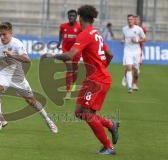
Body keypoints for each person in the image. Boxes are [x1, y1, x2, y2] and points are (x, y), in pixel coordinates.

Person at [42, 5, 119, 155]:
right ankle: (110, 124)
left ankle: (109, 147)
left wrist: (50, 56)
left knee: (87, 113)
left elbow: (69, 55)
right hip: (94, 78)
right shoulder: (95, 32)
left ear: (80, 18)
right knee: (79, 112)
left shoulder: (85, 34)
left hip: (97, 80)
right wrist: (102, 67)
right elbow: (110, 53)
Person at [0, 22, 58, 133]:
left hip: (17, 77)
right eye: (0, 34)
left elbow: (27, 59)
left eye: (4, 34)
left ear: (10, 33)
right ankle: (1, 119)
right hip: (3, 75)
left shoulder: (17, 44)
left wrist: (12, 55)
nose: (2, 37)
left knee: (31, 101)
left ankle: (49, 121)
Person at [57, 9, 82, 99]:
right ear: (68, 16)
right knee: (69, 69)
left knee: (74, 70)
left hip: (76, 51)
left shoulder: (79, 27)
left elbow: (83, 37)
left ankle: (74, 83)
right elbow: (60, 33)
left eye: (73, 16)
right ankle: (68, 92)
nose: (71, 17)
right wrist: (59, 42)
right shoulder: (63, 26)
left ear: (76, 17)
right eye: (70, 16)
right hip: (66, 50)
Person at [121, 15, 146, 93]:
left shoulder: (138, 29)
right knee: (129, 67)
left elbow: (145, 39)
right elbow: (123, 37)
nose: (130, 21)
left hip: (136, 52)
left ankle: (133, 83)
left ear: (133, 20)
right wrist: (121, 40)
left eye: (131, 19)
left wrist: (137, 40)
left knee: (136, 70)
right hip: (127, 51)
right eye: (128, 19)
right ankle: (129, 87)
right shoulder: (124, 29)